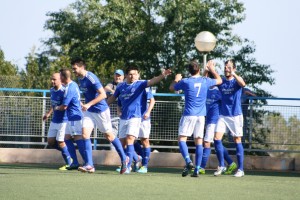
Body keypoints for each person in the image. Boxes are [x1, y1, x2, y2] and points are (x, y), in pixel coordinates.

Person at [107, 65, 171, 174]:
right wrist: (101, 107)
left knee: (132, 139)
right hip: (124, 118)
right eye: (130, 74)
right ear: (126, 75)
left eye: (135, 74)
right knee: (122, 144)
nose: (133, 76)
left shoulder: (140, 84)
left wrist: (162, 75)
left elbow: (152, 82)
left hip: (137, 117)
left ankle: (132, 166)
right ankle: (132, 160)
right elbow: (113, 98)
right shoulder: (121, 86)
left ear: (138, 75)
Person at [71, 58, 127, 174]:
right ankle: (90, 165)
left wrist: (89, 104)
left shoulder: (91, 77)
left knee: (109, 136)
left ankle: (124, 158)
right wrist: (84, 104)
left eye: (75, 68)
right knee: (85, 135)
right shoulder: (80, 79)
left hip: (101, 110)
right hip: (89, 111)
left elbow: (103, 95)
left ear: (81, 67)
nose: (73, 71)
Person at [169, 60, 222, 177]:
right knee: (199, 141)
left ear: (189, 70)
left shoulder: (185, 81)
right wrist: (211, 69)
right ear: (199, 70)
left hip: (189, 114)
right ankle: (197, 169)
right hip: (201, 115)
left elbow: (171, 87)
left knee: (182, 139)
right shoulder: (205, 81)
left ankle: (188, 161)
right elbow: (219, 80)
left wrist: (176, 78)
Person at [199, 72, 237, 175]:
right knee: (217, 143)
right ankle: (230, 162)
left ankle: (202, 167)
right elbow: (202, 79)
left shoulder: (218, 91)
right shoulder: (206, 89)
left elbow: (228, 100)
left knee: (207, 142)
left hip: (215, 120)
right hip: (209, 120)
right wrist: (207, 70)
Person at [213, 59, 246, 177]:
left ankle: (241, 169)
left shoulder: (236, 81)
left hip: (235, 115)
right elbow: (210, 83)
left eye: (229, 67)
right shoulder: (221, 81)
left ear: (234, 68)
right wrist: (210, 70)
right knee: (216, 139)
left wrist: (234, 74)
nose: (227, 69)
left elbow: (243, 84)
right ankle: (222, 165)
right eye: (226, 67)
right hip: (223, 115)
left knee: (237, 140)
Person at [55, 69, 86, 171]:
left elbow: (64, 106)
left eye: (60, 77)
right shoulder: (73, 85)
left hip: (75, 116)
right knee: (66, 137)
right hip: (72, 116)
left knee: (78, 139)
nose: (60, 79)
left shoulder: (70, 88)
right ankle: (75, 162)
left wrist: (57, 108)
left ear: (63, 77)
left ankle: (87, 162)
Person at [43, 73, 73, 170]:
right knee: (51, 142)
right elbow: (53, 104)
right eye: (52, 79)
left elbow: (67, 105)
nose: (52, 81)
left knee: (60, 141)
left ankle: (69, 162)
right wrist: (48, 113)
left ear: (60, 80)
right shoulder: (52, 90)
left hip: (64, 121)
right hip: (54, 120)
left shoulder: (64, 91)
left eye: (54, 79)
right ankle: (69, 154)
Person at [136, 87, 155, 173]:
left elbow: (152, 100)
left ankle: (144, 166)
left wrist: (147, 112)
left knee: (144, 140)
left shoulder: (144, 86)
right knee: (128, 140)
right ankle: (138, 158)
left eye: (135, 74)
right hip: (131, 117)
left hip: (143, 118)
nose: (132, 76)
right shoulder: (126, 85)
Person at [104, 69, 125, 150]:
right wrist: (114, 91)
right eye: (116, 75)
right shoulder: (112, 84)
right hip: (113, 115)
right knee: (112, 135)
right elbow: (105, 88)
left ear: (123, 77)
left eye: (119, 76)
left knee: (126, 137)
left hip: (124, 114)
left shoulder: (125, 84)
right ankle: (114, 155)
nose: (117, 77)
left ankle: (134, 157)